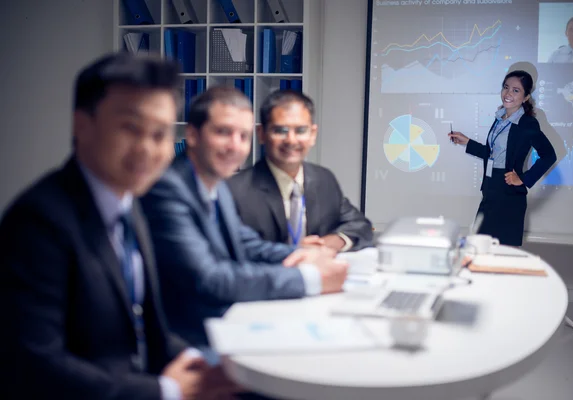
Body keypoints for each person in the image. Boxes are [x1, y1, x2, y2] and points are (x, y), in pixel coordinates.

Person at [0, 53, 239, 399]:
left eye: (160, 134)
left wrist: (193, 363)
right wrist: (166, 391)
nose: (147, 149)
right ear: (82, 125)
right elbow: (34, 366)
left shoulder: (129, 203)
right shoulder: (38, 222)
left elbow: (147, 330)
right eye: (130, 128)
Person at [139, 87, 348, 346]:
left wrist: (301, 255)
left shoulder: (215, 182)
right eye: (223, 132)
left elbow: (246, 243)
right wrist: (310, 278)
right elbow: (210, 278)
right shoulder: (167, 188)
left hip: (226, 322)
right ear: (192, 135)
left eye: (243, 136)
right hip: (188, 340)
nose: (235, 147)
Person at [227, 90, 373, 252]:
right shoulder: (234, 191)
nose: (291, 140)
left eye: (301, 130)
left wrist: (330, 243)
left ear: (313, 134)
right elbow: (234, 253)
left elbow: (360, 225)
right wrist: (294, 252)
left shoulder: (324, 180)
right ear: (261, 134)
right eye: (280, 131)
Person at [448, 70, 557, 246]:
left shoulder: (527, 123)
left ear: (526, 97)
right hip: (491, 190)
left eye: (516, 90)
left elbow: (549, 155)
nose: (508, 93)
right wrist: (467, 142)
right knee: (480, 248)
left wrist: (523, 178)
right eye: (506, 87)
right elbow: (493, 154)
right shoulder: (500, 119)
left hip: (509, 195)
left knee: (502, 252)